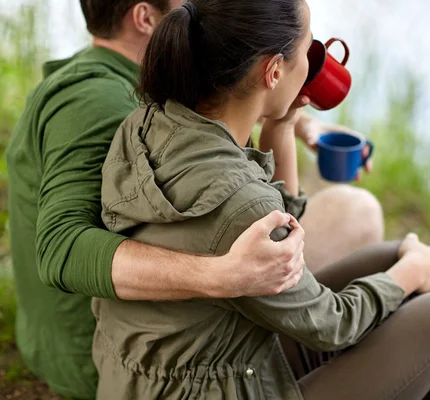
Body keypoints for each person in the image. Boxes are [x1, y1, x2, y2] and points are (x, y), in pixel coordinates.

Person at [92, 1, 430, 399]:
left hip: (165, 373)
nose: (312, 63)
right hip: (205, 389)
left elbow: (276, 220)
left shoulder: (149, 122)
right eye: (308, 49)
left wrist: (281, 127)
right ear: (274, 71)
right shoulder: (238, 202)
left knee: (389, 259)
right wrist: (411, 275)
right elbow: (332, 324)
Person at [6, 0, 380, 398]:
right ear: (145, 17)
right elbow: (61, 248)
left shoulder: (124, 80)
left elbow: (224, 106)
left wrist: (292, 120)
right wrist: (222, 276)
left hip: (143, 339)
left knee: (338, 223)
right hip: (119, 358)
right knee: (355, 215)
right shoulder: (97, 105)